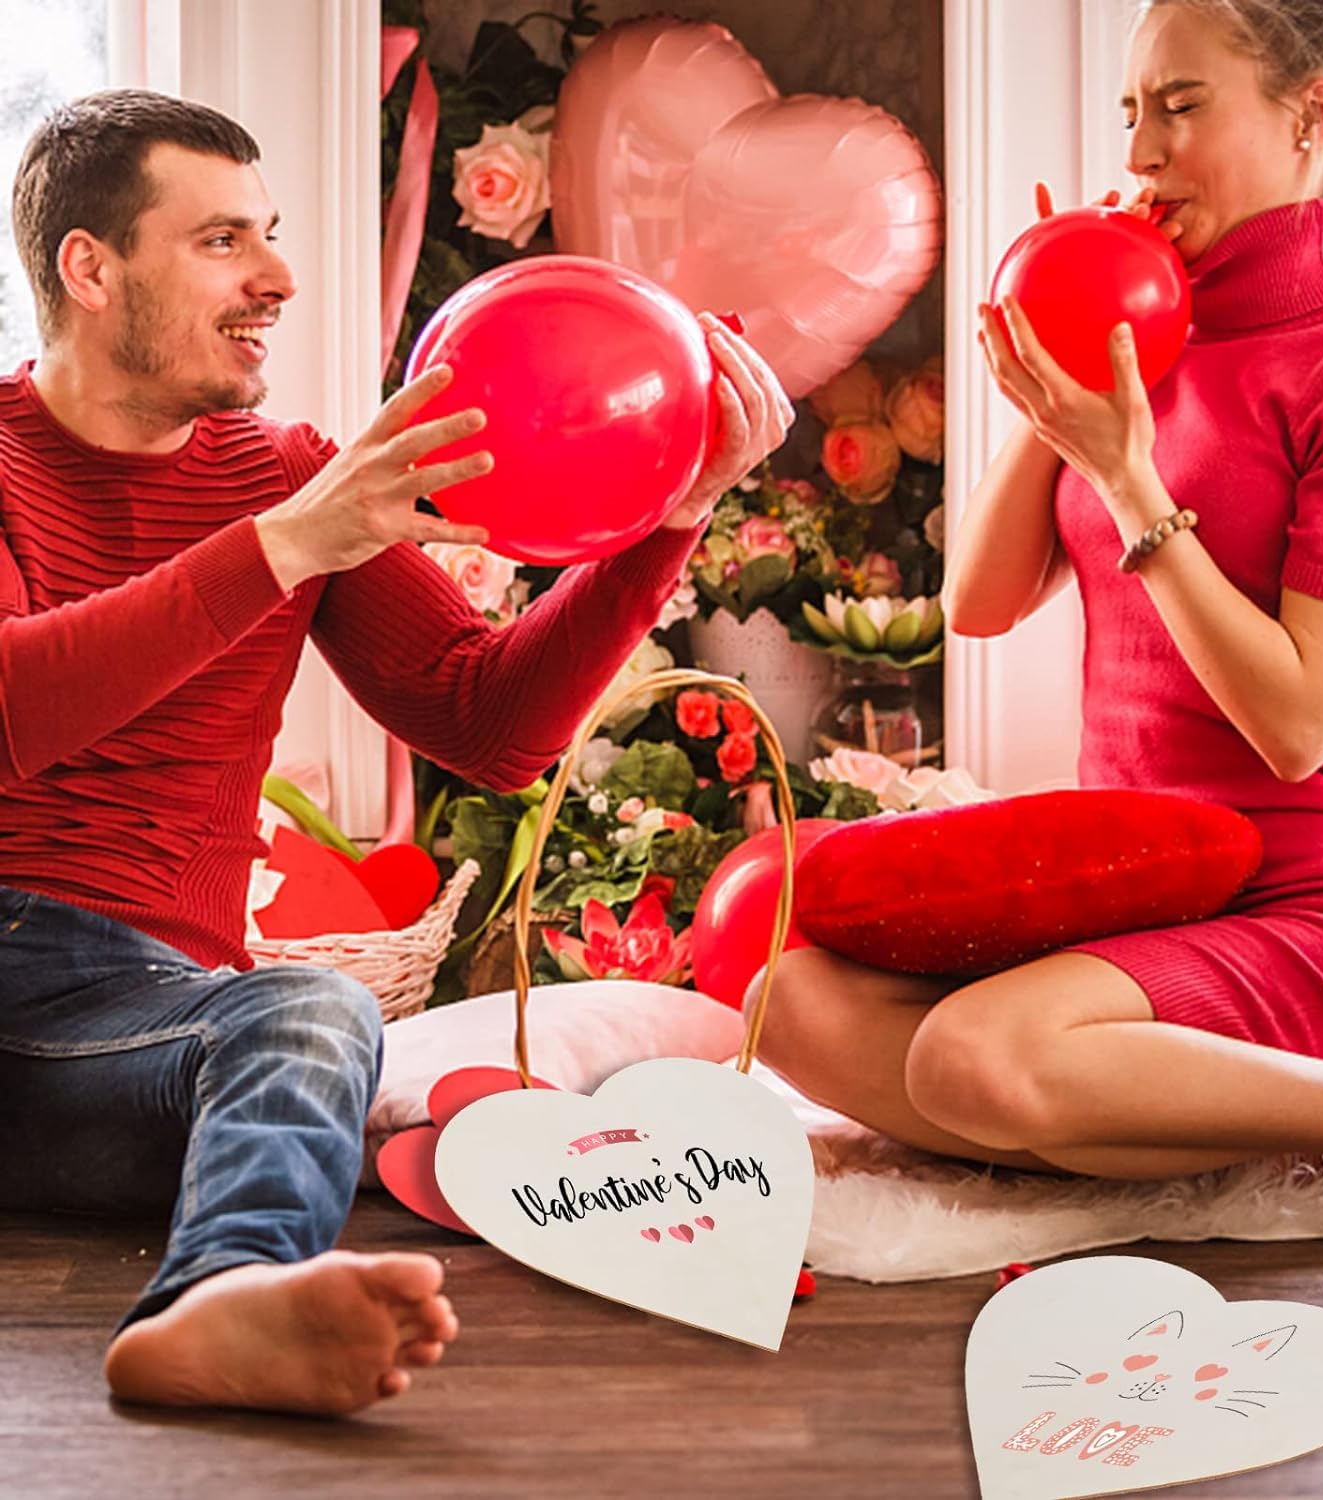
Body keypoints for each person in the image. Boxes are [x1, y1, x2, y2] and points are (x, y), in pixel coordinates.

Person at [0, 89, 792, 1415]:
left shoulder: (288, 479)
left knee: (312, 1008)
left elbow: (487, 727)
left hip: (127, 1035)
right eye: (221, 243)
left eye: (270, 236)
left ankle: (221, 1305)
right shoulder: (266, 505)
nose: (279, 278)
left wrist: (674, 516)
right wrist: (291, 543)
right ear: (91, 268)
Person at [758, 0, 1323, 1241]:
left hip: (1306, 914)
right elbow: (981, 605)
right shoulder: (1143, 342)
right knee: (790, 1002)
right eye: (1131, 113)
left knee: (970, 1063)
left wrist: (1129, 481)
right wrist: (1056, 367)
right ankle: (1280, 1144)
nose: (1141, 153)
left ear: (1312, 115)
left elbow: (1298, 724)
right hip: (1136, 906)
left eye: (1184, 106)